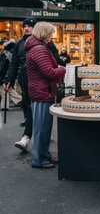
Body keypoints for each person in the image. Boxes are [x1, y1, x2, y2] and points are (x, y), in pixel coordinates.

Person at [25, 22, 66, 168]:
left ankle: (45, 156)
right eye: (50, 33)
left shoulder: (38, 47)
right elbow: (49, 72)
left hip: (41, 91)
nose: (51, 36)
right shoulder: (39, 49)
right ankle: (38, 160)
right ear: (44, 33)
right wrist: (62, 70)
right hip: (42, 92)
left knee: (44, 129)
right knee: (41, 130)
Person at [4, 17, 37, 151]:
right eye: (25, 26)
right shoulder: (20, 43)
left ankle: (26, 137)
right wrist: (8, 79)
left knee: (32, 109)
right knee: (26, 104)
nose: (26, 28)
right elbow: (14, 63)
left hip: (38, 81)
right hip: (24, 80)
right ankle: (36, 129)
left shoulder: (43, 42)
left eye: (29, 26)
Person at [0, 39, 22, 110]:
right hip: (12, 74)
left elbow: (4, 66)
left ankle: (21, 100)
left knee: (6, 89)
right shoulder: (14, 51)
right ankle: (5, 105)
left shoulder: (6, 53)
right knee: (6, 89)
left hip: (6, 75)